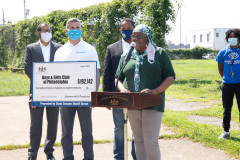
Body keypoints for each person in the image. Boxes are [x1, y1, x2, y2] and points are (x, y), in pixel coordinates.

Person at [115, 24, 175, 160]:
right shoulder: (127, 55)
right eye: (133, 36)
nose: (134, 39)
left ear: (147, 38)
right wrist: (123, 90)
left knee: (151, 141)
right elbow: (117, 78)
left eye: (138, 36)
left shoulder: (160, 53)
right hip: (133, 103)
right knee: (138, 140)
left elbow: (170, 78)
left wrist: (155, 91)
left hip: (153, 103)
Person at [54, 18, 100, 160]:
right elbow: (55, 74)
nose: (75, 30)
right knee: (66, 132)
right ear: (66, 30)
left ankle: (88, 157)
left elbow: (96, 72)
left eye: (77, 27)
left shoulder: (90, 49)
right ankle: (68, 157)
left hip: (85, 98)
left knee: (87, 132)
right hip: (65, 98)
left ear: (81, 29)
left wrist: (94, 95)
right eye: (71, 27)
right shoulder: (60, 51)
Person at [24, 22, 62, 160]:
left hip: (54, 92)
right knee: (35, 124)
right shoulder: (31, 48)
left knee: (53, 124)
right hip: (37, 91)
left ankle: (49, 152)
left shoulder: (59, 48)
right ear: (38, 32)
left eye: (49, 30)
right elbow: (27, 67)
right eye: (44, 30)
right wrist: (41, 84)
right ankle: (32, 154)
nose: (47, 32)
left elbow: (62, 68)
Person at [102, 18, 137, 160]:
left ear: (134, 30)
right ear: (119, 30)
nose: (126, 32)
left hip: (135, 94)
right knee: (119, 128)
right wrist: (106, 96)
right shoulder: (112, 48)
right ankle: (119, 156)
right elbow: (107, 72)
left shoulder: (140, 46)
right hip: (117, 95)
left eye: (129, 29)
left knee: (136, 128)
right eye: (123, 29)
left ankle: (136, 154)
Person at [216, 28, 240, 139]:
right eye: (230, 38)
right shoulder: (223, 52)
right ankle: (226, 131)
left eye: (235, 37)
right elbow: (220, 69)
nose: (232, 39)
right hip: (227, 84)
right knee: (227, 109)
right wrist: (227, 78)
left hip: (239, 84)